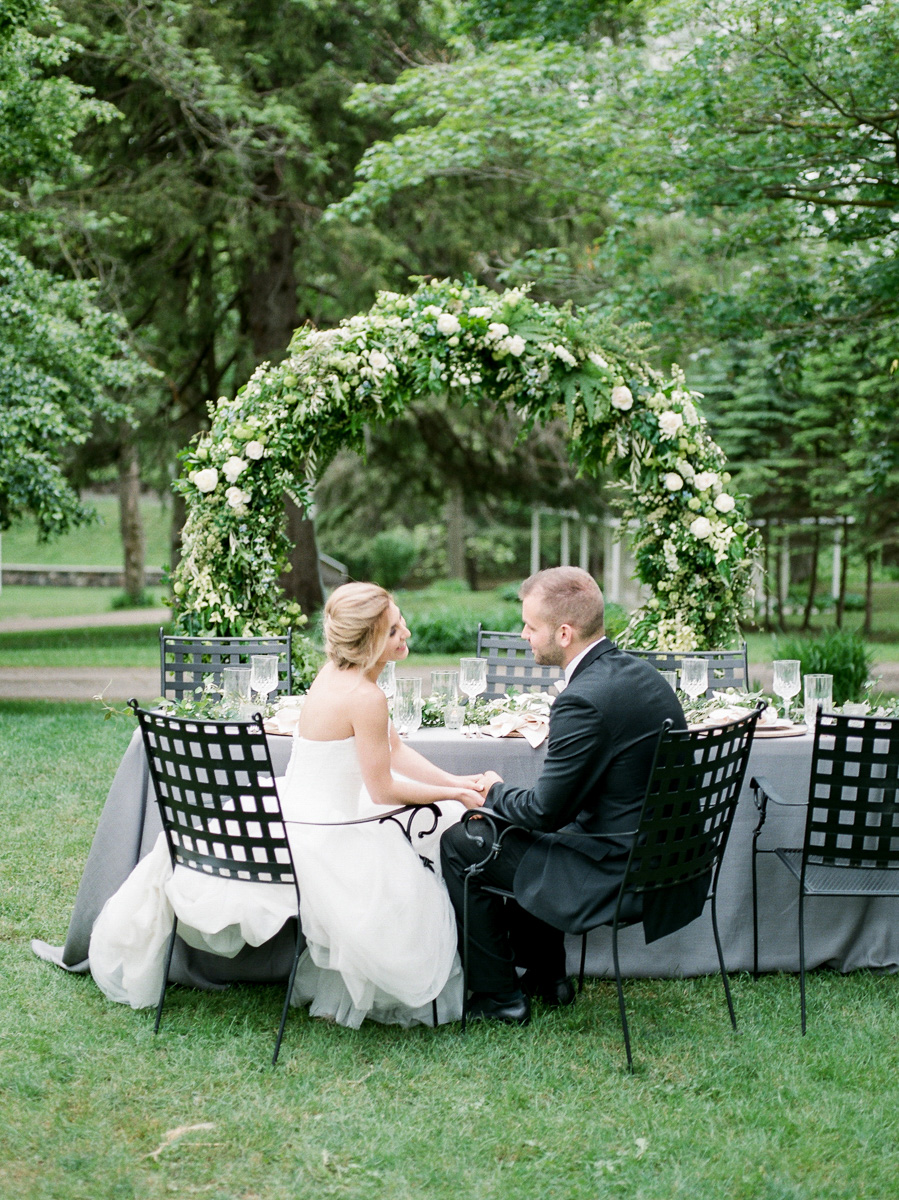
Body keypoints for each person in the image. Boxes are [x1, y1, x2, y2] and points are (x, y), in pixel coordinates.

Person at [440, 566, 690, 1027]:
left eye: (531, 627)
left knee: (464, 841)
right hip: (667, 857)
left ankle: (499, 997)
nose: (523, 635)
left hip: (619, 868)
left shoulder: (583, 698)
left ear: (564, 632)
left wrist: (493, 791)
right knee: (511, 828)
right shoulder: (641, 674)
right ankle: (547, 978)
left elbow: (545, 812)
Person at [280, 581, 487, 1028]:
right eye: (394, 629)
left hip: (303, 812)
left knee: (450, 817)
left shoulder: (338, 673)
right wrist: (452, 794)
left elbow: (395, 750)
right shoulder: (365, 695)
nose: (406, 632)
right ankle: (484, 974)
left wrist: (455, 781)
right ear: (372, 640)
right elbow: (383, 791)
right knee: (426, 856)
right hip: (324, 831)